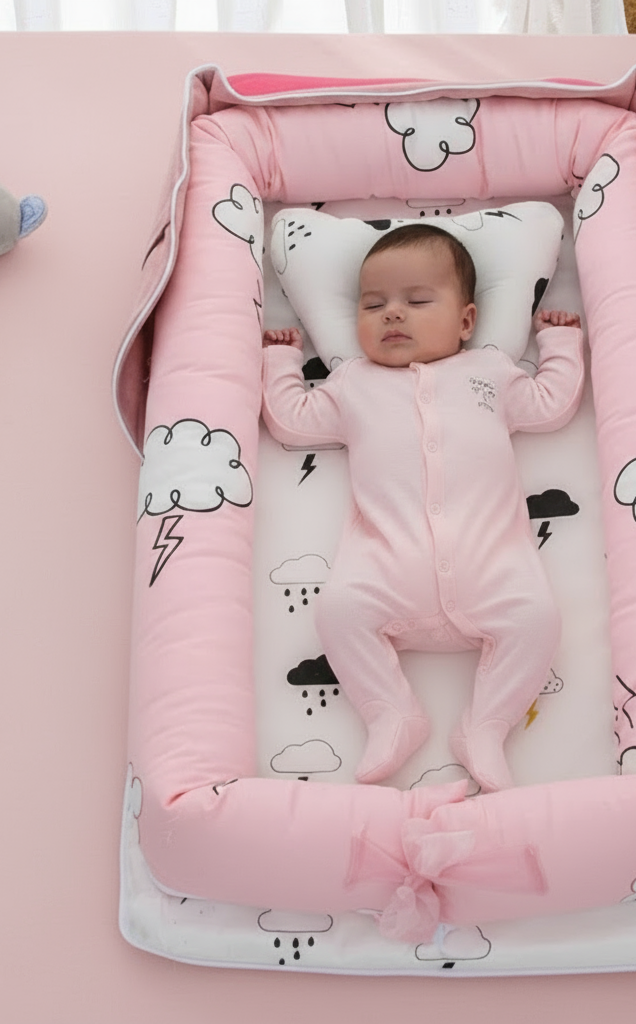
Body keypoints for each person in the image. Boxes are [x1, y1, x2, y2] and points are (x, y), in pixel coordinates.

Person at [262, 223, 583, 792]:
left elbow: (549, 406)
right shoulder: (351, 384)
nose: (392, 314)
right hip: (387, 569)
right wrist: (281, 363)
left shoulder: (490, 371)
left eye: (415, 301)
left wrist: (558, 344)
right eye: (374, 303)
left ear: (465, 321)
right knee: (337, 612)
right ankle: (392, 712)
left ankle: (485, 725)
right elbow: (293, 421)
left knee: (538, 620)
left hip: (493, 568)